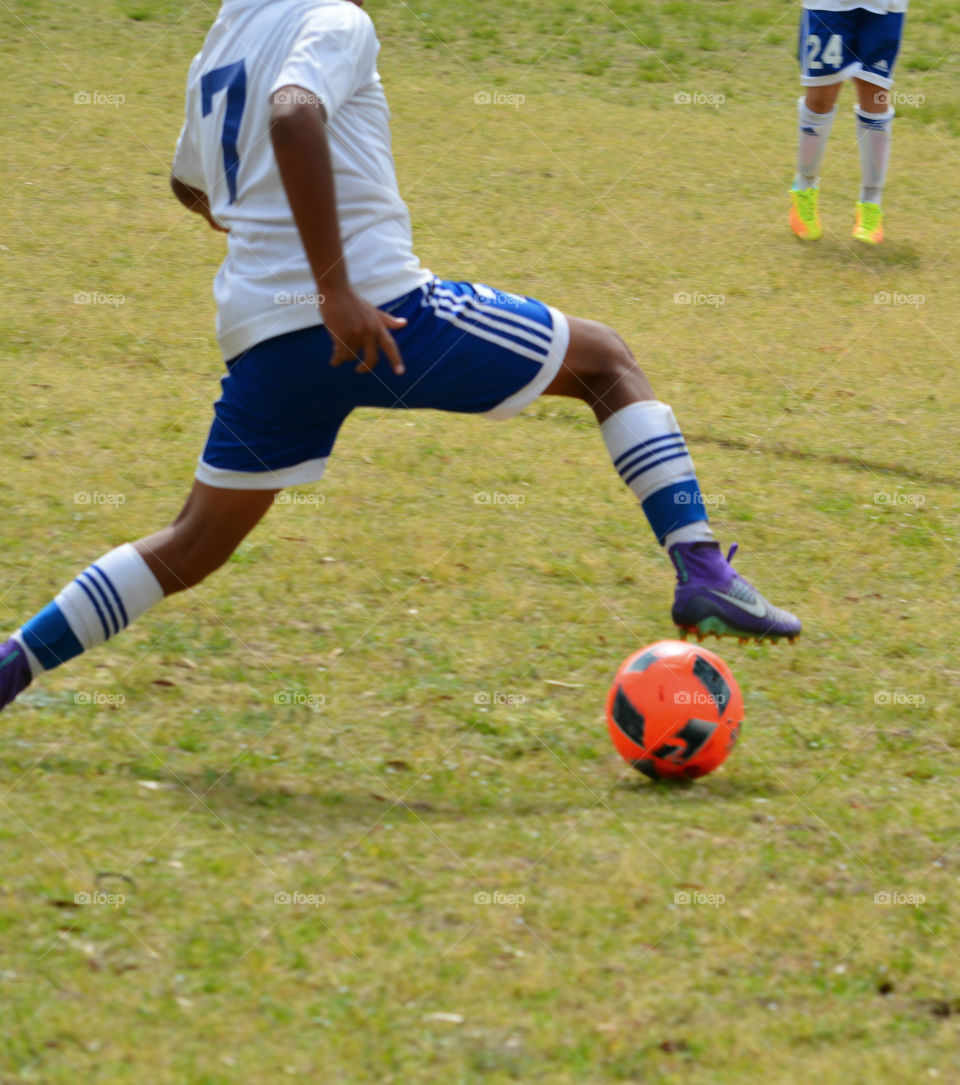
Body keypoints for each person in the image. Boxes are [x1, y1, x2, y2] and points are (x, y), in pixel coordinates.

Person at [0, 0, 801, 714]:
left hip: (265, 344)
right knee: (606, 363)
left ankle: (12, 664)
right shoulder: (337, 20)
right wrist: (334, 288)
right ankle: (700, 567)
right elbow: (291, 113)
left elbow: (187, 181)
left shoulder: (222, 38)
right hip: (384, 317)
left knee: (192, 544)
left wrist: (252, 226)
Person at [790, 0, 908, 245]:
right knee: (821, 98)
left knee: (875, 95)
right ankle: (803, 188)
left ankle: (871, 203)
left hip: (885, 6)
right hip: (829, 5)